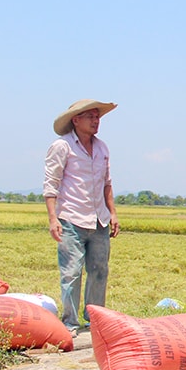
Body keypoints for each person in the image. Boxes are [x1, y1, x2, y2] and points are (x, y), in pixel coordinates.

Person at [44, 99, 120, 335]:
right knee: (71, 272)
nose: (96, 121)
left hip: (99, 219)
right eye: (90, 117)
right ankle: (70, 322)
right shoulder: (62, 146)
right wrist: (53, 218)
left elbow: (107, 184)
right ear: (75, 120)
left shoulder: (102, 148)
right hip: (71, 218)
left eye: (97, 117)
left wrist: (113, 213)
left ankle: (95, 319)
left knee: (99, 270)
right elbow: (51, 184)